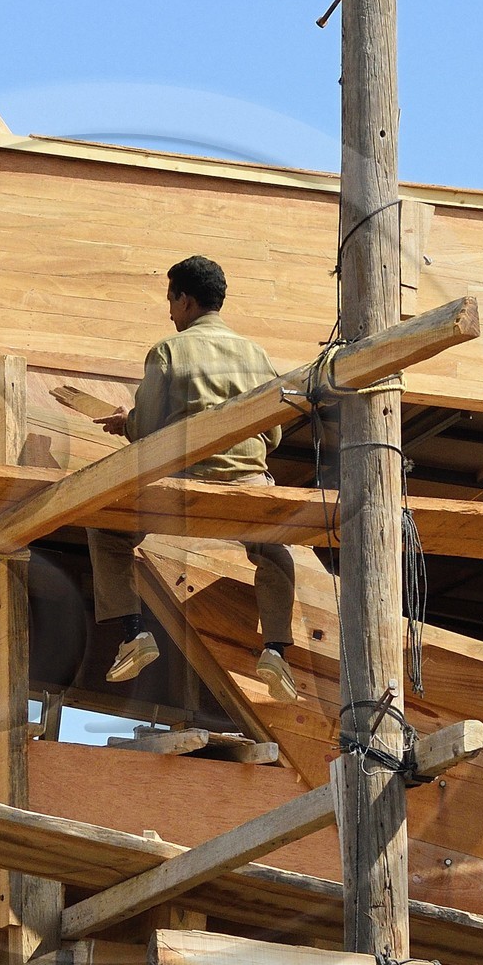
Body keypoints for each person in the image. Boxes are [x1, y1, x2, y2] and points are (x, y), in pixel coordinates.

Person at [88, 254, 299, 703]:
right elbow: (275, 433)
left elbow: (147, 429)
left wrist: (125, 422)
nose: (168, 311)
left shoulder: (168, 350)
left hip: (180, 485)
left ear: (185, 300)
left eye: (170, 300)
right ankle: (276, 650)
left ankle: (134, 634)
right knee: (275, 555)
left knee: (107, 530)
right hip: (246, 486)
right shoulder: (256, 354)